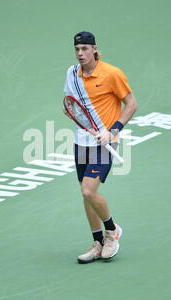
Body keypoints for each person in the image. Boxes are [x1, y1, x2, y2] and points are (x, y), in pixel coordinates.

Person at [63, 31, 138, 263]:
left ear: (95, 49)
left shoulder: (111, 73)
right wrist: (74, 116)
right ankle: (97, 243)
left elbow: (132, 104)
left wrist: (112, 130)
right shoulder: (71, 74)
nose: (80, 54)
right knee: (86, 196)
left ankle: (111, 231)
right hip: (82, 141)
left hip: (106, 142)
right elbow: (70, 105)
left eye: (85, 49)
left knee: (88, 190)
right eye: (77, 49)